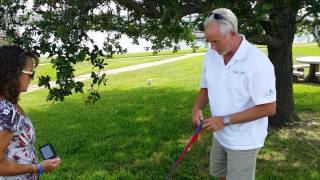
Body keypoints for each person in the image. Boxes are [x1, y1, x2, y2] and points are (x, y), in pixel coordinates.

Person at [191, 8, 276, 180]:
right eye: (209, 42)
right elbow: (206, 87)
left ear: (232, 33)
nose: (212, 47)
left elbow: (269, 108)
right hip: (220, 135)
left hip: (244, 140)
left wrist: (224, 120)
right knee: (220, 174)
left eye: (216, 41)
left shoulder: (258, 62)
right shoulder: (212, 55)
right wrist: (196, 108)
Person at [0, 45, 61, 179]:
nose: (32, 78)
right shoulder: (7, 112)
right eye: (30, 73)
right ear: (13, 74)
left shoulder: (9, 102)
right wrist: (37, 167)